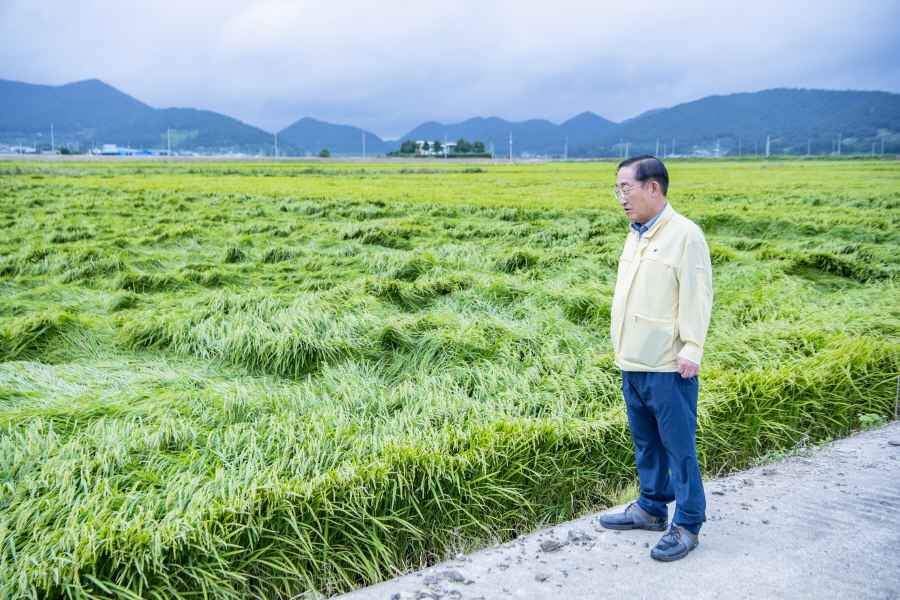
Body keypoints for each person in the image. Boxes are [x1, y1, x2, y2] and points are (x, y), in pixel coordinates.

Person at [598, 155, 713, 562]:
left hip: (668, 364)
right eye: (618, 190)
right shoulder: (637, 233)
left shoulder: (685, 235)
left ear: (653, 188)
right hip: (633, 360)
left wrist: (692, 348)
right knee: (646, 443)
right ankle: (650, 508)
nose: (620, 198)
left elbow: (698, 295)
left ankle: (688, 522)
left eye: (625, 189)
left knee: (678, 447)